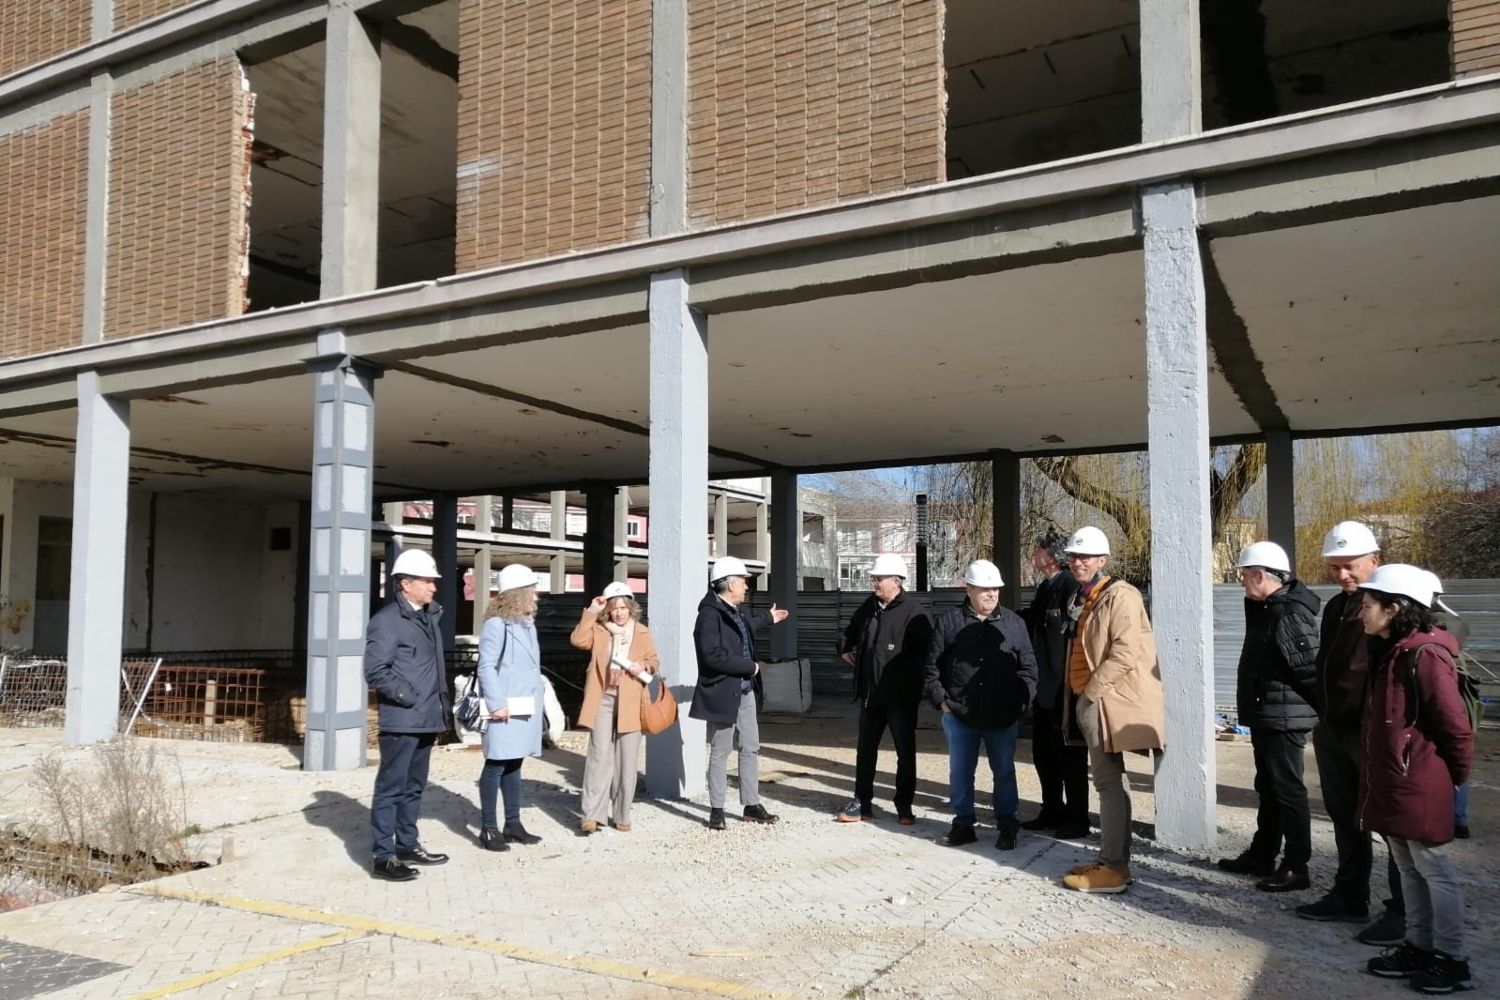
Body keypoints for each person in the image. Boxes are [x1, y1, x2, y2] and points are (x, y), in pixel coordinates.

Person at [1354, 565, 1474, 995]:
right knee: (1408, 868)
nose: (1361, 614)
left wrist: (1450, 779)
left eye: (1368, 607)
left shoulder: (1426, 655)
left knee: (1436, 870)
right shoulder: (1393, 652)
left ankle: (1452, 959)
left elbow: (1455, 728)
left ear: (1395, 607)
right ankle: (1419, 947)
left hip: (1419, 782)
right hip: (1397, 782)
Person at [1297, 521, 1406, 944]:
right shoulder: (1336, 607)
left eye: (1351, 566)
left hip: (1370, 732)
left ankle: (1403, 909)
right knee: (1346, 817)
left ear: (1374, 561)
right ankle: (1349, 894)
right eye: (1335, 567)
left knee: (1392, 822)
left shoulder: (1393, 605)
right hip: (1334, 729)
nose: (1343, 575)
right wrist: (1325, 714)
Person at [1057, 526, 1165, 894]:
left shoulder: (1120, 596)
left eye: (1085, 557)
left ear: (1103, 560)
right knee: (1107, 782)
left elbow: (1125, 652)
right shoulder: (1087, 597)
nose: (1077, 562)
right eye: (1073, 556)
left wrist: (1091, 694)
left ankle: (1114, 868)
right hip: (1091, 701)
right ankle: (1110, 860)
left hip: (1103, 703)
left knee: (1109, 783)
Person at [1217, 541, 1320, 893]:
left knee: (1288, 790)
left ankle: (1296, 866)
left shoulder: (1286, 613)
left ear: (1260, 575)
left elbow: (1309, 670)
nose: (1242, 583)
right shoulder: (1268, 609)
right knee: (1270, 787)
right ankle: (1263, 854)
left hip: (1284, 718)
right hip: (1270, 714)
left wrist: (1326, 712)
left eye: (1245, 576)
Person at [923, 559, 1037, 850]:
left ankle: (1007, 825)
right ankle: (963, 824)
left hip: (1002, 715)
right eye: (985, 589)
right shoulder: (948, 623)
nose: (991, 595)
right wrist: (941, 702)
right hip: (959, 715)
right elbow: (931, 669)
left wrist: (1021, 703)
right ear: (969, 588)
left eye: (995, 589)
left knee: (1004, 771)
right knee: (960, 771)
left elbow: (1028, 669)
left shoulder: (1014, 624)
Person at [364, 548, 450, 882]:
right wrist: (408, 697)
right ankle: (383, 856)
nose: (433, 587)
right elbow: (375, 671)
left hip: (426, 718)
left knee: (414, 787)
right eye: (427, 581)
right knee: (391, 788)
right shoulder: (387, 622)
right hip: (402, 719)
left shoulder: (428, 618)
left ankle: (408, 844)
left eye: (432, 581)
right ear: (405, 584)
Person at [690, 556, 791, 830]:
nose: (746, 585)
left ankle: (751, 805)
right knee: (721, 750)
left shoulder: (739, 610)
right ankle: (717, 809)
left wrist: (768, 618)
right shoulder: (709, 616)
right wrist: (750, 667)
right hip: (723, 691)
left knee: (750, 748)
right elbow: (711, 656)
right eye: (743, 581)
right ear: (730, 584)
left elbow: (746, 628)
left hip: (745, 691)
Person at [836, 554, 932, 825]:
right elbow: (851, 631)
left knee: (905, 752)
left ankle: (904, 806)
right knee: (865, 751)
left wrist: (905, 685)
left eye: (879, 579)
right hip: (870, 695)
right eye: (874, 578)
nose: (874, 583)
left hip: (900, 700)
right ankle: (862, 803)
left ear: (896, 581)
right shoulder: (870, 606)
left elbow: (923, 658)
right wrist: (844, 649)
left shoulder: (915, 614)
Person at [572, 581, 660, 834]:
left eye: (623, 607)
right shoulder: (599, 630)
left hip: (631, 699)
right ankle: (592, 815)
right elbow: (578, 640)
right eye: (614, 608)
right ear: (608, 610)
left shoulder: (642, 631)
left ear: (631, 608)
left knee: (627, 760)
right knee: (599, 756)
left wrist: (643, 666)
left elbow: (654, 661)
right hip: (602, 698)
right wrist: (591, 610)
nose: (619, 612)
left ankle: (622, 814)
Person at [1019, 531, 1087, 839]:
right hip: (1044, 689)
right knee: (1043, 754)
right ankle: (1051, 810)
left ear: (1051, 556)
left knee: (1069, 757)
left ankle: (1076, 818)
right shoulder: (1046, 588)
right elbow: (1031, 621)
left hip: (1065, 689)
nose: (1034, 553)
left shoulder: (1070, 587)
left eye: (1038, 549)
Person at [475, 563, 547, 851]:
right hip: (504, 707)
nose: (536, 596)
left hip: (523, 706)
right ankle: (489, 828)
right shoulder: (497, 625)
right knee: (495, 765)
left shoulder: (526, 624)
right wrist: (496, 703)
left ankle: (513, 823)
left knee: (514, 763)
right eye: (531, 591)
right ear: (517, 594)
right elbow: (486, 666)